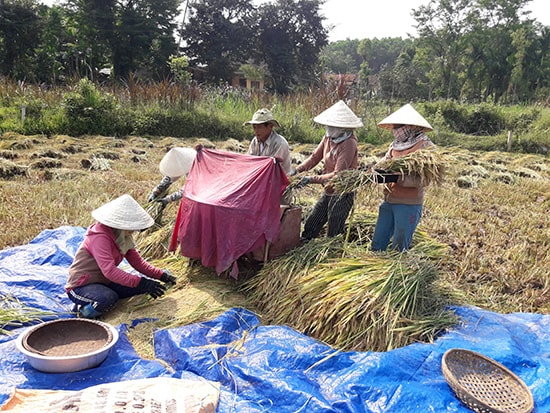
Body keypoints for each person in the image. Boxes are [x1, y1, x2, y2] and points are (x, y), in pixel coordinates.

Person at [65, 194, 177, 318]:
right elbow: (110, 271)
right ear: (120, 224)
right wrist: (142, 282)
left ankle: (101, 295)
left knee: (141, 287)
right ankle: (82, 313)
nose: (134, 231)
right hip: (82, 285)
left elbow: (138, 263)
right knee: (107, 298)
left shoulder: (122, 236)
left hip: (105, 282)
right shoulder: (99, 237)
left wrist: (161, 275)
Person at [292, 100, 362, 240]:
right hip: (329, 188)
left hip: (343, 191)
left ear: (343, 127)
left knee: (334, 228)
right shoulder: (329, 137)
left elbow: (338, 175)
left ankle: (332, 252)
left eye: (333, 125)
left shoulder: (349, 143)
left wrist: (310, 179)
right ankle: (305, 242)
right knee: (314, 220)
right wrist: (297, 170)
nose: (329, 128)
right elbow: (314, 157)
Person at [371, 103, 436, 252]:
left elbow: (425, 179)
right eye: (395, 126)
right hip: (389, 200)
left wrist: (397, 178)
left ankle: (397, 272)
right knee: (377, 243)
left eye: (399, 126)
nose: (396, 130)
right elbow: (385, 162)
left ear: (410, 126)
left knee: (399, 248)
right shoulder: (395, 145)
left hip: (408, 204)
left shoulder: (425, 147)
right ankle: (375, 268)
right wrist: (373, 170)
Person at [243, 108, 292, 175]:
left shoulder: (279, 143)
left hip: (277, 180)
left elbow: (272, 169)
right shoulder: (255, 141)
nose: (256, 131)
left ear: (270, 127)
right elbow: (249, 160)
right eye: (254, 127)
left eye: (259, 127)